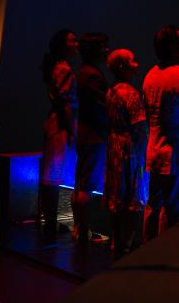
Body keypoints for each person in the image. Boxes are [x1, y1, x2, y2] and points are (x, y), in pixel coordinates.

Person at [141, 25, 179, 241]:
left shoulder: (150, 75)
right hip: (176, 156)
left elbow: (150, 117)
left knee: (153, 205)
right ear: (172, 47)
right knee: (174, 211)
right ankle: (165, 257)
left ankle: (144, 252)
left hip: (155, 151)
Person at [104, 48, 148, 258]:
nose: (136, 65)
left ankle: (115, 239)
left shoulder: (111, 91)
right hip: (130, 148)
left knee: (116, 194)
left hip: (114, 145)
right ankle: (129, 243)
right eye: (132, 61)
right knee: (133, 194)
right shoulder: (130, 93)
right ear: (122, 66)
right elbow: (139, 127)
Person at [39, 29, 79, 238]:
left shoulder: (57, 67)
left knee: (52, 176)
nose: (77, 43)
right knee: (53, 176)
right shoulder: (63, 69)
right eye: (73, 40)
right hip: (61, 126)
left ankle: (50, 225)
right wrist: (71, 131)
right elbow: (64, 103)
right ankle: (50, 227)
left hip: (57, 124)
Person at [72, 32, 110, 244]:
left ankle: (80, 228)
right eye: (104, 46)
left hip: (86, 134)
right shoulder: (92, 75)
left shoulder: (84, 72)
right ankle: (83, 230)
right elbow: (101, 109)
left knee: (81, 182)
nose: (107, 50)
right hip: (94, 136)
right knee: (87, 184)